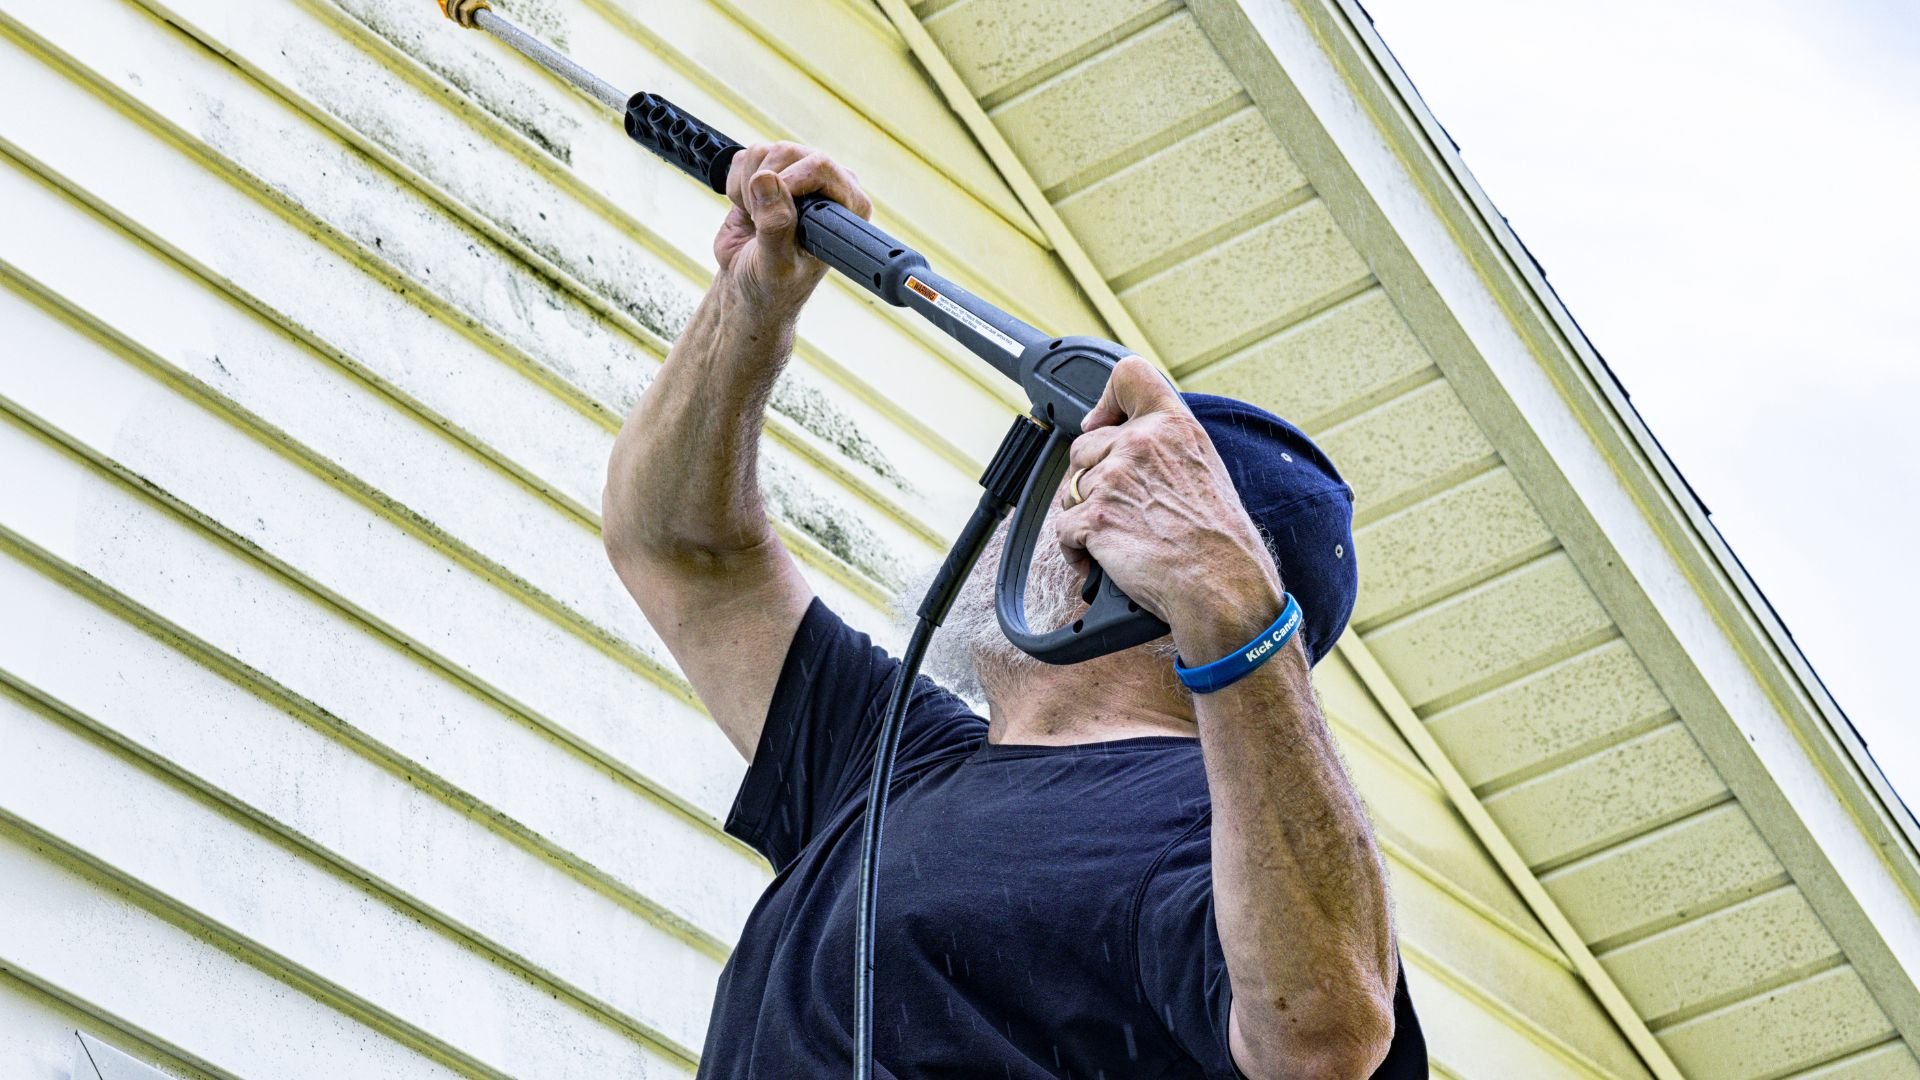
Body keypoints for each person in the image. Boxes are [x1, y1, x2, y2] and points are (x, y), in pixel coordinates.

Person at [602, 141, 1426, 1079]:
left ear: (1122, 562)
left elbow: (1326, 1036)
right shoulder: (895, 754)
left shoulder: (1218, 830)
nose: (1001, 518)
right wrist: (750, 309)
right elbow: (680, 551)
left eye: (1060, 481)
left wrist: (1230, 601)